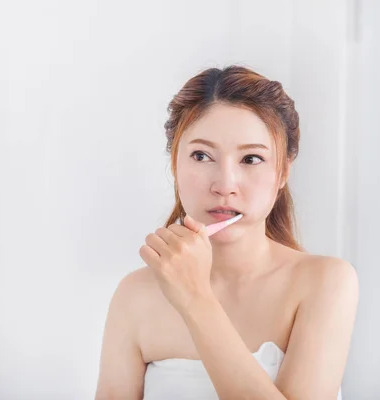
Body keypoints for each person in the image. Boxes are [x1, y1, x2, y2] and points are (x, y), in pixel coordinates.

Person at [95, 65, 358, 399]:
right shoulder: (134, 295)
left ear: (282, 173)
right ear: (175, 164)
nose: (224, 185)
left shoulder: (325, 282)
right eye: (201, 155)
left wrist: (194, 298)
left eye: (250, 159)